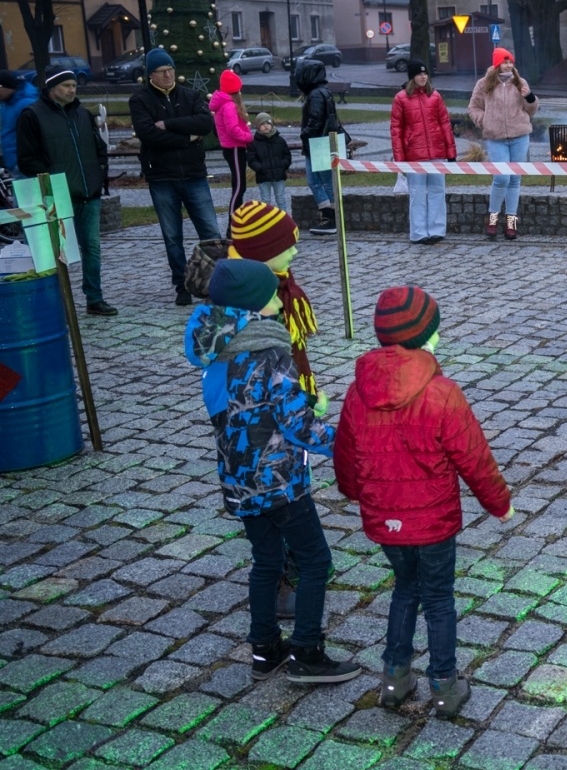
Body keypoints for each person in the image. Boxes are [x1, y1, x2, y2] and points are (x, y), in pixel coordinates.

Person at [334, 286, 513, 719]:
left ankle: (394, 679)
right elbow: (473, 457)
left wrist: (359, 494)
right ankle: (444, 685)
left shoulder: (358, 393)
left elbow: (346, 454)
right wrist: (499, 503)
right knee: (438, 599)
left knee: (404, 590)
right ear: (426, 337)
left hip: (386, 521)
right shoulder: (442, 392)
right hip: (433, 523)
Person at [183, 258, 357, 684]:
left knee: (266, 560)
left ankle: (264, 650)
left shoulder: (218, 350)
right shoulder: (269, 353)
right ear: (254, 304)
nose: (280, 299)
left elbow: (241, 412)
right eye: (272, 294)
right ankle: (307, 653)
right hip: (279, 482)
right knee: (316, 560)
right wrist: (348, 441)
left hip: (239, 480)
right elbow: (297, 427)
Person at [15, 69, 115, 316]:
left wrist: (98, 172)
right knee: (55, 251)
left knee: (91, 247)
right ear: (51, 88)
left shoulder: (82, 114)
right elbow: (27, 159)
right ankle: (55, 301)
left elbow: (99, 147)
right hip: (56, 196)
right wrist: (54, 178)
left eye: (74, 85)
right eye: (66, 85)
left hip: (88, 193)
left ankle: (94, 298)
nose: (72, 89)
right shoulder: (32, 115)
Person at [131, 49, 220, 304]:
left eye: (171, 69)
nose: (168, 74)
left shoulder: (189, 95)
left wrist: (169, 124)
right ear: (151, 76)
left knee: (211, 231)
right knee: (172, 236)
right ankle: (181, 285)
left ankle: (213, 282)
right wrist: (187, 137)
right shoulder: (140, 101)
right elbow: (148, 135)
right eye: (162, 71)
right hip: (162, 176)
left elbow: (205, 124)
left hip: (193, 173)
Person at [228, 201, 324, 409]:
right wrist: (305, 402)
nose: (295, 253)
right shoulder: (254, 300)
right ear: (264, 254)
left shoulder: (280, 280)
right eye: (287, 248)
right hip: (268, 407)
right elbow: (271, 372)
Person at [468, 49, 539, 238]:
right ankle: (492, 219)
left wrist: (530, 97)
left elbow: (531, 109)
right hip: (496, 138)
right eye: (504, 62)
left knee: (515, 179)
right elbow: (473, 107)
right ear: (497, 64)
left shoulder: (520, 82)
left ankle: (511, 223)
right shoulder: (484, 84)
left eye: (510, 62)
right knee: (501, 179)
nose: (508, 65)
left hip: (519, 136)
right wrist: (485, 120)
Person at [390, 61, 456, 245]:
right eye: (419, 74)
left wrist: (451, 152)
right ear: (412, 77)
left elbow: (445, 124)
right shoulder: (401, 98)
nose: (423, 77)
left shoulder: (435, 97)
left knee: (437, 191)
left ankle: (437, 230)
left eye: (425, 73)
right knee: (417, 194)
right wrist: (400, 160)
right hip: (414, 156)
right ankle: (418, 232)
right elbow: (396, 130)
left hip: (436, 153)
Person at [295, 59, 344, 236]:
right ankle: (330, 216)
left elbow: (315, 120)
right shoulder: (323, 92)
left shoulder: (316, 94)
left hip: (318, 144)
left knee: (319, 181)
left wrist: (304, 134)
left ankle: (331, 218)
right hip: (321, 142)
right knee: (320, 181)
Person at [211, 69, 254, 213]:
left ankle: (236, 218)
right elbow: (232, 129)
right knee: (239, 186)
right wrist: (248, 137)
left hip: (234, 147)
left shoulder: (224, 103)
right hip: (235, 147)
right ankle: (232, 220)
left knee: (238, 185)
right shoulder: (229, 105)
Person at [246, 113, 292, 212]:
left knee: (281, 199)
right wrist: (260, 168)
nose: (266, 126)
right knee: (266, 200)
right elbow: (251, 160)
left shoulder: (280, 140)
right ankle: (267, 221)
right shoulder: (254, 143)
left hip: (279, 175)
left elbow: (287, 155)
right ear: (258, 126)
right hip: (263, 176)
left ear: (272, 125)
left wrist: (283, 165)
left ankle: (285, 220)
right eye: (263, 124)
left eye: (268, 123)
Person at [0, 68, 40, 178]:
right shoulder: (6, 104)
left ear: (6, 86)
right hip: (14, 164)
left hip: (26, 165)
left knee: (40, 195)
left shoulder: (26, 104)